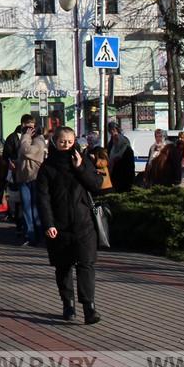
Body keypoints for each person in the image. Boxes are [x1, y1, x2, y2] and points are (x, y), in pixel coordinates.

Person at [36, 126, 103, 324]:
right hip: (59, 226)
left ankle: (89, 307)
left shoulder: (83, 160)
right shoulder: (47, 167)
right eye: (62, 142)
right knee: (63, 267)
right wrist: (48, 224)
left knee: (86, 264)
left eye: (70, 142)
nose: (66, 145)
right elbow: (42, 198)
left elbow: (96, 185)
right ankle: (68, 305)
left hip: (83, 223)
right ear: (54, 143)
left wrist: (81, 167)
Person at [15, 123, 47, 245]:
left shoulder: (39, 141)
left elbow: (27, 151)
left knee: (34, 208)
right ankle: (29, 234)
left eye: (27, 131)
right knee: (26, 209)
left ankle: (37, 235)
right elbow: (23, 156)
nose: (25, 134)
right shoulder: (26, 141)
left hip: (34, 178)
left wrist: (26, 137)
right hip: (24, 178)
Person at [105, 125, 135, 192]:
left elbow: (130, 168)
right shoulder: (112, 146)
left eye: (113, 130)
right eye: (110, 131)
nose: (112, 132)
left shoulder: (127, 150)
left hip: (124, 180)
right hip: (114, 178)